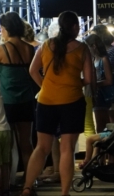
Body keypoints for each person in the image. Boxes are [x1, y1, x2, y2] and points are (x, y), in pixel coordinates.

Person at [21, 11, 94, 196]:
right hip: (72, 101)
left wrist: (45, 85)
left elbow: (32, 70)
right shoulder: (82, 48)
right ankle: (64, 192)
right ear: (75, 27)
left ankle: (27, 187)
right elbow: (89, 78)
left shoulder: (46, 45)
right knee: (67, 148)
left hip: (46, 101)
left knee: (42, 147)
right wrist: (74, 83)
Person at [0, 11, 37, 184]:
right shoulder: (29, 48)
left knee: (8, 146)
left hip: (7, 102)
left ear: (6, 28)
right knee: (26, 144)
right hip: (27, 100)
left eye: (1, 27)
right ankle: (29, 183)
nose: (0, 31)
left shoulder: (2, 49)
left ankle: (6, 183)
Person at [91, 25, 114, 122]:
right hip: (103, 90)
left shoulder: (111, 51)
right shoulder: (103, 52)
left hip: (110, 90)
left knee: (111, 118)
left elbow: (110, 73)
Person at [84, 34, 114, 133]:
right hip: (97, 93)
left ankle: (101, 147)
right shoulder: (93, 59)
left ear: (93, 46)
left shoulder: (103, 59)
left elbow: (109, 80)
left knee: (102, 125)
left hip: (102, 95)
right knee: (100, 124)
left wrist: (94, 83)